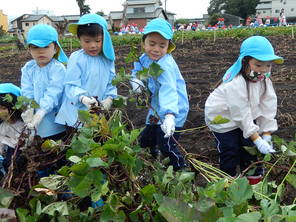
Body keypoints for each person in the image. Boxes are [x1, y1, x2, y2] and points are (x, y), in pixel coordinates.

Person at [204, 36, 284, 182]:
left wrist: (266, 134)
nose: (263, 70)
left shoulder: (264, 80)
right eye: (258, 65)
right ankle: (228, 183)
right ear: (244, 62)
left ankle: (253, 181)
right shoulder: (235, 83)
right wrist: (258, 139)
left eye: (268, 66)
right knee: (230, 150)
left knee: (250, 150)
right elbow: (240, 112)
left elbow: (268, 105)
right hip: (223, 119)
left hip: (246, 114)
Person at [130, 18, 189, 171]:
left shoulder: (165, 65)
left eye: (162, 45)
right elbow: (137, 69)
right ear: (144, 43)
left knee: (167, 145)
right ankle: (152, 161)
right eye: (152, 44)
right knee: (146, 140)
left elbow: (168, 90)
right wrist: (135, 80)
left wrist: (169, 115)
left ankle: (180, 169)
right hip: (156, 107)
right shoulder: (144, 58)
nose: (156, 49)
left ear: (168, 46)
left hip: (174, 108)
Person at [55, 14, 117, 127]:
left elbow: (111, 83)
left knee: (96, 138)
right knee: (78, 138)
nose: (93, 45)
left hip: (98, 111)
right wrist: (83, 98)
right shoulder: (77, 58)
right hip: (75, 113)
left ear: (104, 39)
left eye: (98, 41)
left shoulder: (107, 59)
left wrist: (108, 99)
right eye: (87, 41)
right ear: (79, 39)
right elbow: (70, 85)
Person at [21, 24, 68, 140]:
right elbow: (27, 91)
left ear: (55, 48)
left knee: (55, 147)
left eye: (46, 46)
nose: (41, 51)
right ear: (29, 49)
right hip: (34, 122)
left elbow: (53, 93)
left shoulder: (58, 68)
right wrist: (29, 110)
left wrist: (41, 113)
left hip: (55, 121)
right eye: (35, 47)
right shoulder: (28, 68)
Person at [0, 83, 24, 177]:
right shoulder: (3, 126)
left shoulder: (22, 125)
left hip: (21, 154)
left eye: (4, 108)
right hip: (9, 156)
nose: (1, 112)